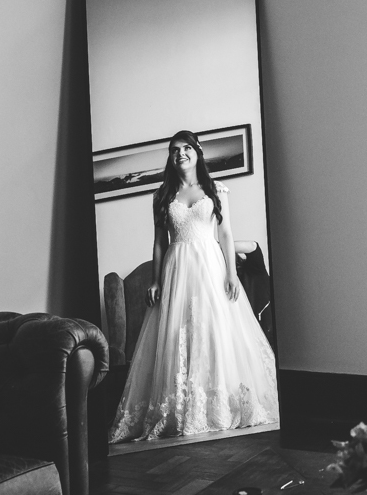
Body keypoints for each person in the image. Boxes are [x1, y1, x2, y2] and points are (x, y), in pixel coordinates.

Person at [110, 130, 280, 442]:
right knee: (179, 333)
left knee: (214, 331)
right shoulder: (162, 196)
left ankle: (220, 404)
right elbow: (159, 243)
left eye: (187, 147)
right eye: (175, 150)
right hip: (178, 268)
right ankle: (182, 407)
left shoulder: (216, 189)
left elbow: (225, 234)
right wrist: (155, 280)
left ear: (197, 152)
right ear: (170, 157)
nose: (181, 154)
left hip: (210, 266)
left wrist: (231, 274)